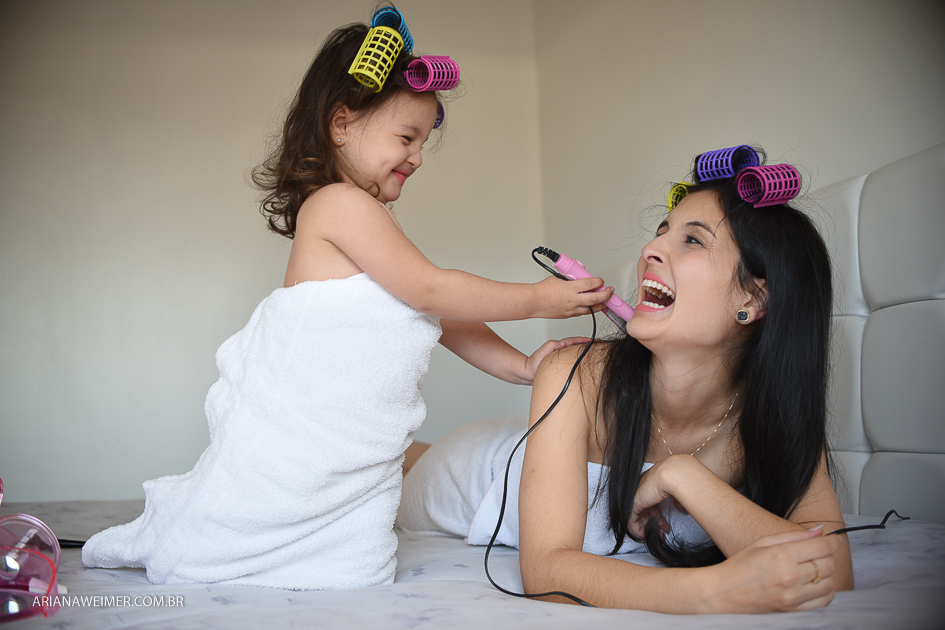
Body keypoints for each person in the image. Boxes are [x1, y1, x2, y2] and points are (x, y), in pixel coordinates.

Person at [81, 9, 611, 591]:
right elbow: (431, 289)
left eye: (423, 142)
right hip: (301, 442)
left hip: (349, 457)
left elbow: (437, 312)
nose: (416, 156)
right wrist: (538, 298)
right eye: (405, 137)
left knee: (350, 562)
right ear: (341, 123)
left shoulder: (369, 219)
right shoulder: (337, 204)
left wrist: (522, 366)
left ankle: (317, 547)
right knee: (242, 520)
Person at [398, 147, 854, 613]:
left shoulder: (772, 412)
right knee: (391, 467)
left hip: (534, 440)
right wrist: (712, 590)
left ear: (753, 300)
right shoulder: (574, 372)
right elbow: (545, 572)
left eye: (692, 240)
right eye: (662, 231)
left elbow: (833, 568)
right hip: (475, 474)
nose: (649, 250)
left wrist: (683, 475)